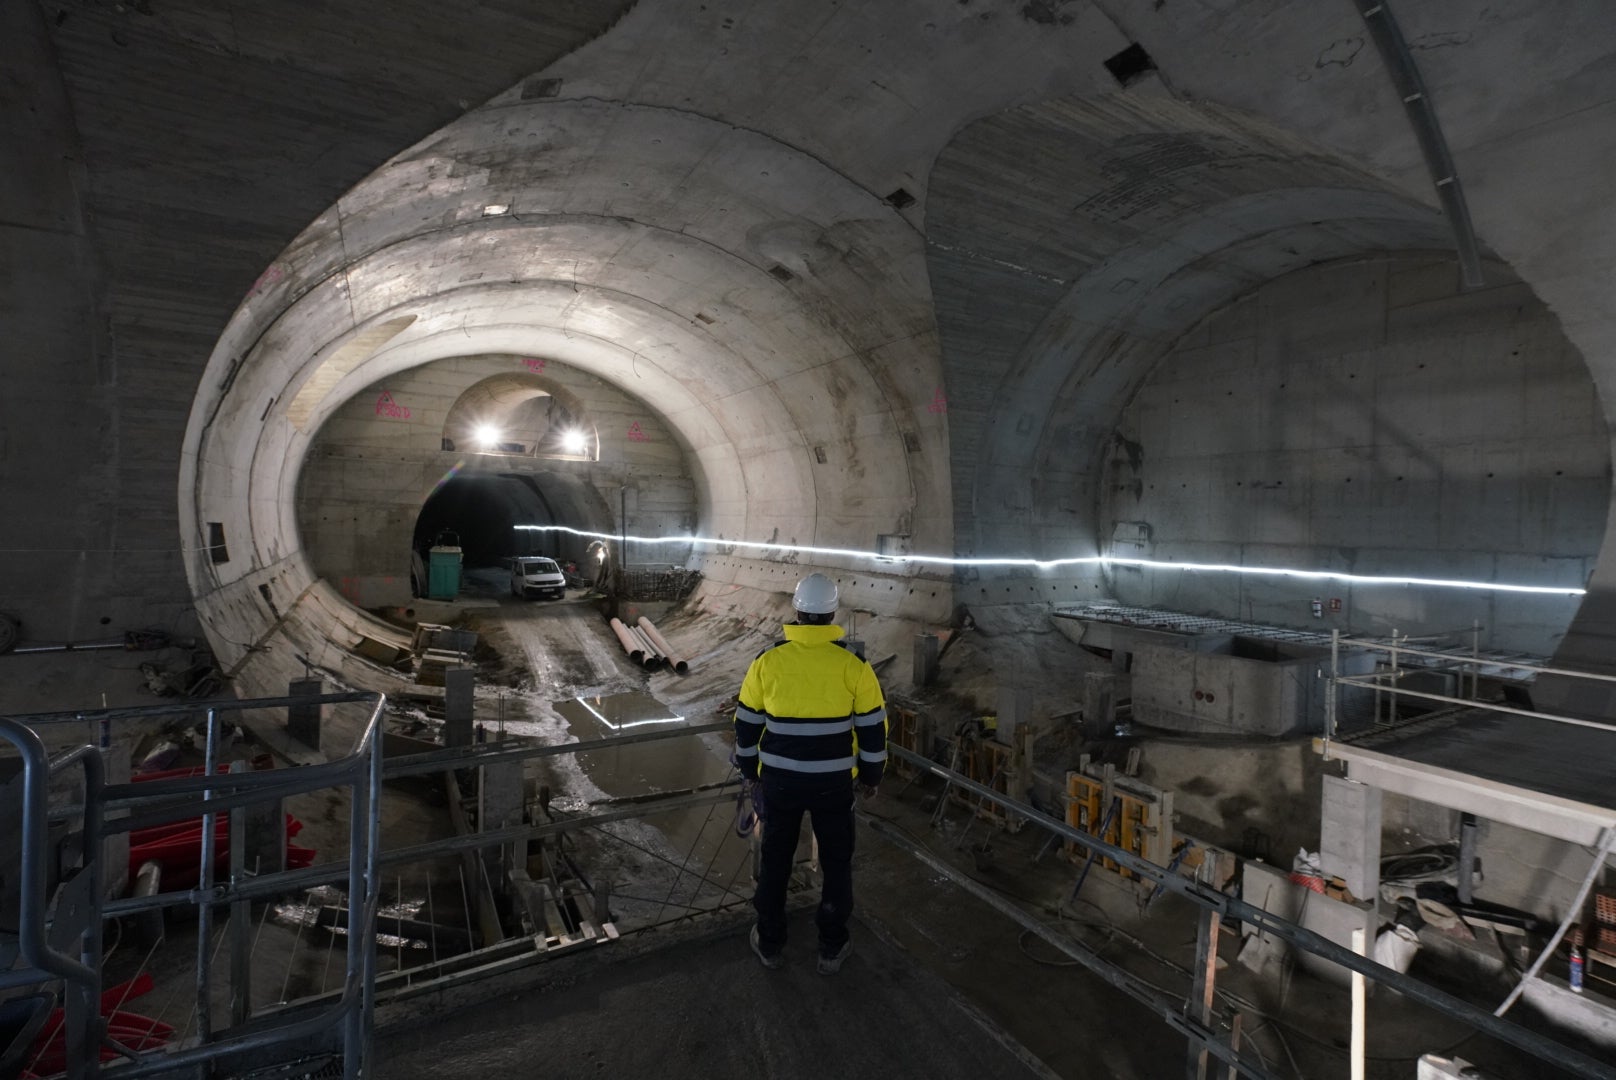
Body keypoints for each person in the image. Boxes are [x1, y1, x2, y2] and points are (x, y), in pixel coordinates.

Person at [733, 572, 887, 974]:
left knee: (776, 860)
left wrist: (750, 771)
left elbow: (746, 724)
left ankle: (769, 942)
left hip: (780, 783)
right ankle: (831, 947)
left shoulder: (768, 661)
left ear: (797, 612)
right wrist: (871, 777)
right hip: (834, 785)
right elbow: (873, 728)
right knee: (836, 863)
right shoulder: (853, 665)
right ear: (833, 612)